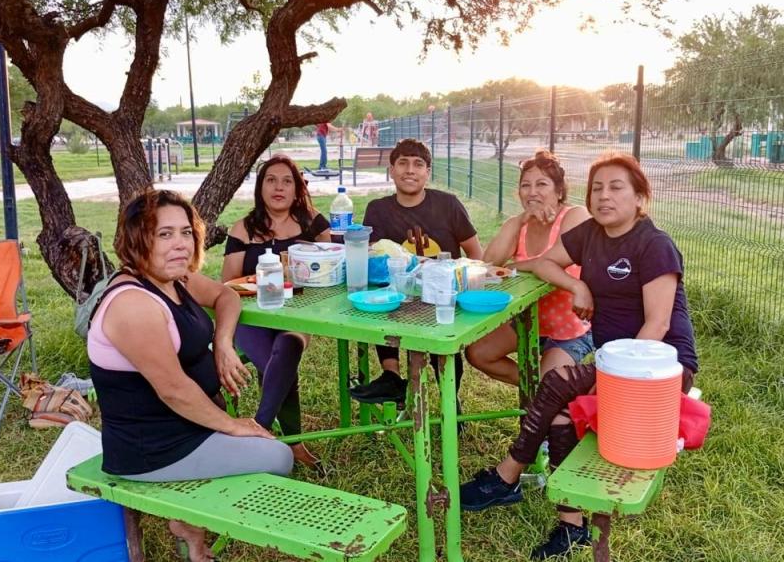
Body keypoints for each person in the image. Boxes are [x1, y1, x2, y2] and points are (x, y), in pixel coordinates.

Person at [459, 152, 699, 560]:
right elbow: (542, 264)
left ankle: (507, 475)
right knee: (559, 408)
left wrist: (616, 387)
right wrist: (579, 287)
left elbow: (656, 328)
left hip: (659, 370)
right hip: (613, 363)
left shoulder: (655, 245)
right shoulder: (591, 234)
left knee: (556, 384)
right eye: (597, 188)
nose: (604, 196)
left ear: (640, 198)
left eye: (616, 187)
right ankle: (572, 527)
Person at [88, 189, 292, 562]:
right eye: (164, 234)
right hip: (154, 449)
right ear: (137, 239)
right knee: (277, 458)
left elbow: (227, 297)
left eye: (185, 232)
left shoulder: (175, 279)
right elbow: (174, 390)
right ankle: (188, 516)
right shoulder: (133, 304)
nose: (180, 244)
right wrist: (233, 426)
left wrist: (223, 344)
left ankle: (189, 518)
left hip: (188, 428)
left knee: (267, 448)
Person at [350, 138, 483, 406]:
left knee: (443, 343)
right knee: (380, 302)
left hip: (444, 295)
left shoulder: (448, 204)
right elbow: (374, 258)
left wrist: (465, 285)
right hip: (400, 296)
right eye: (403, 163)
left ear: (427, 172)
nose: (410, 170)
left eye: (418, 164)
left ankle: (450, 399)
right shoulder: (378, 209)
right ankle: (391, 377)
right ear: (391, 170)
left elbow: (475, 253)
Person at [222, 155, 330, 469]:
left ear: (297, 189)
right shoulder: (243, 229)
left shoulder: (313, 222)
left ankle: (259, 429)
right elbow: (228, 284)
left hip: (297, 312)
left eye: (286, 181)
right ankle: (292, 443)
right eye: (271, 180)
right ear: (260, 188)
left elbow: (333, 268)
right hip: (251, 316)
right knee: (279, 364)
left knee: (287, 346)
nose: (278, 187)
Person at [465, 150, 593, 386]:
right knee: (477, 353)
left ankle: (548, 388)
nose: (532, 192)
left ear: (559, 191)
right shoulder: (518, 224)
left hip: (570, 329)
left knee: (549, 384)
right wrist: (519, 220)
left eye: (541, 184)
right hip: (526, 323)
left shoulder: (575, 216)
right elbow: (488, 264)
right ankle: (538, 387)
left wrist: (514, 266)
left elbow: (550, 263)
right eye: (526, 185)